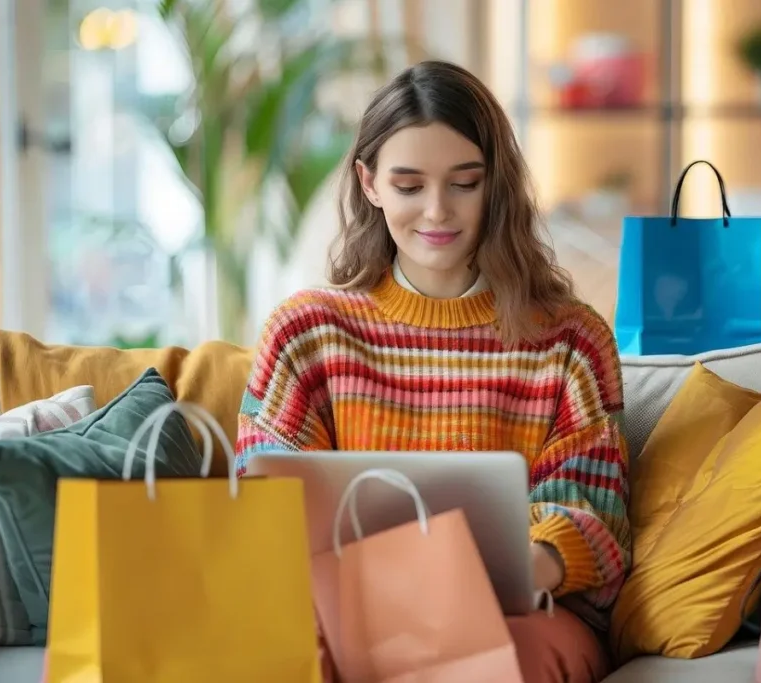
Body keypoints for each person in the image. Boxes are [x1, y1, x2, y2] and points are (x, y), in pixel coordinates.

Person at [236, 60, 630, 683]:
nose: (437, 212)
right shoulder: (306, 332)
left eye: (464, 183)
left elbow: (593, 515)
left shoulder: (570, 340)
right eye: (409, 185)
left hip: (524, 613)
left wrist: (488, 578)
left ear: (495, 184)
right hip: (350, 602)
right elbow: (263, 503)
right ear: (369, 184)